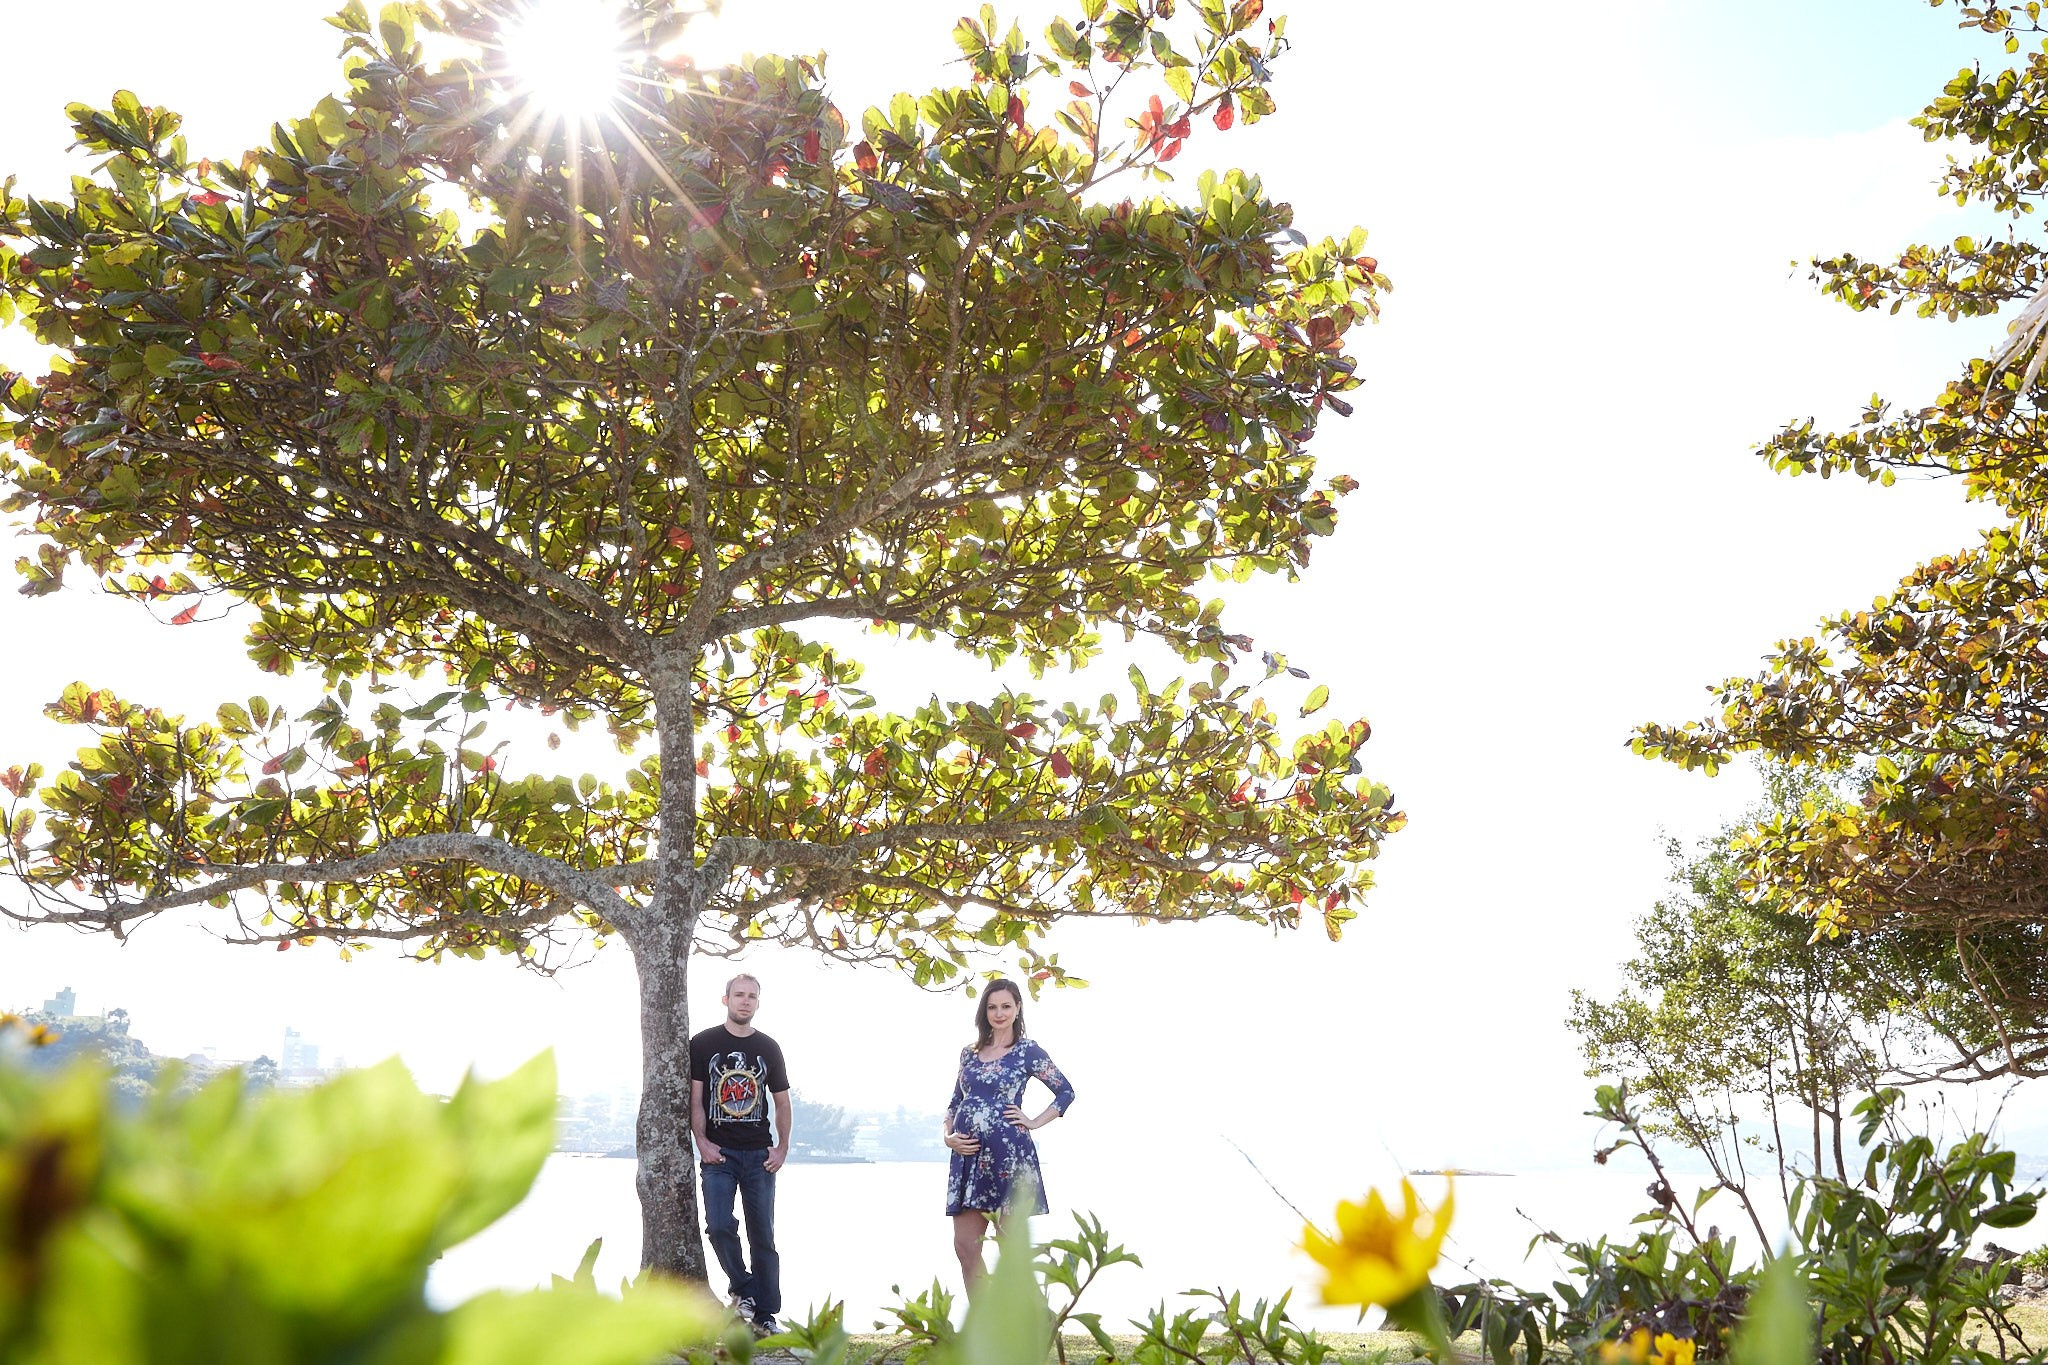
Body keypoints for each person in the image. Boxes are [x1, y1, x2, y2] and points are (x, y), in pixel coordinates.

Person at [940, 978, 1075, 1288]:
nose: (998, 1013)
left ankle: (1028, 1326)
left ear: (1017, 1010)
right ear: (983, 1011)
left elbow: (1065, 1092)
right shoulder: (969, 1054)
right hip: (968, 1159)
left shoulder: (1028, 1051)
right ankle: (982, 1329)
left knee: (1009, 1247)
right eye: (992, 1007)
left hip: (1009, 1158)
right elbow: (954, 1102)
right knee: (965, 1247)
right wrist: (948, 1137)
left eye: (1005, 1006)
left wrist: (1034, 1121)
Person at [690, 973, 791, 1335]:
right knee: (718, 1226)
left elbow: (781, 1103)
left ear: (758, 1003)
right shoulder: (702, 1043)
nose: (745, 1001)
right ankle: (742, 1286)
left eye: (751, 996)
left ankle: (766, 1313)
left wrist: (782, 1148)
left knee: (762, 1234)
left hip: (759, 1156)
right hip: (719, 1155)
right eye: (739, 995)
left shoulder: (769, 1047)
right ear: (726, 1000)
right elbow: (696, 1099)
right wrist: (701, 1142)